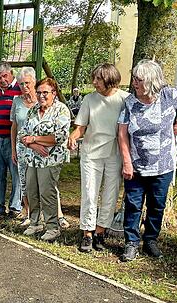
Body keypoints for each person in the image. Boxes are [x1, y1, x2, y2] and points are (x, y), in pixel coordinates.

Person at [117, 59, 177, 262]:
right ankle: (131, 243)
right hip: (136, 166)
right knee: (133, 205)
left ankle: (150, 240)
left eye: (139, 80)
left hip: (163, 165)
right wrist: (126, 162)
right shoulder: (130, 103)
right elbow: (122, 134)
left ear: (151, 81)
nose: (134, 83)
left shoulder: (169, 96)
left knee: (156, 206)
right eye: (134, 78)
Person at [68, 64, 128, 253]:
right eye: (94, 78)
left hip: (115, 154)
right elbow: (80, 127)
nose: (94, 82)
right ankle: (87, 232)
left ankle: (100, 232)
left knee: (111, 193)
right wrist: (72, 137)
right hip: (91, 153)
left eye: (98, 79)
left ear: (110, 79)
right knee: (89, 192)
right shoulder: (89, 99)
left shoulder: (124, 99)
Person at [19, 77, 71, 242]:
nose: (41, 96)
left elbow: (60, 136)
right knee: (31, 190)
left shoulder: (61, 110)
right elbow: (22, 135)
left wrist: (33, 139)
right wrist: (33, 144)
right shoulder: (33, 110)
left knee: (47, 192)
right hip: (32, 158)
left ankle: (52, 227)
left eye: (45, 92)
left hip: (50, 159)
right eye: (39, 92)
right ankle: (35, 223)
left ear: (54, 93)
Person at [0, 61, 22, 217]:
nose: (2, 80)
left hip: (13, 140)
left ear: (11, 73)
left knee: (16, 174)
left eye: (4, 76)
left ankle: (15, 207)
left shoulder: (20, 90)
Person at [10, 67, 38, 226]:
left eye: (27, 83)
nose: (24, 86)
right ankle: (27, 211)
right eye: (21, 84)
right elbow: (13, 126)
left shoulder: (42, 100)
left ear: (33, 81)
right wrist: (13, 149)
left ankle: (41, 212)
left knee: (39, 180)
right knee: (24, 180)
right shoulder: (17, 101)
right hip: (21, 148)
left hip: (39, 147)